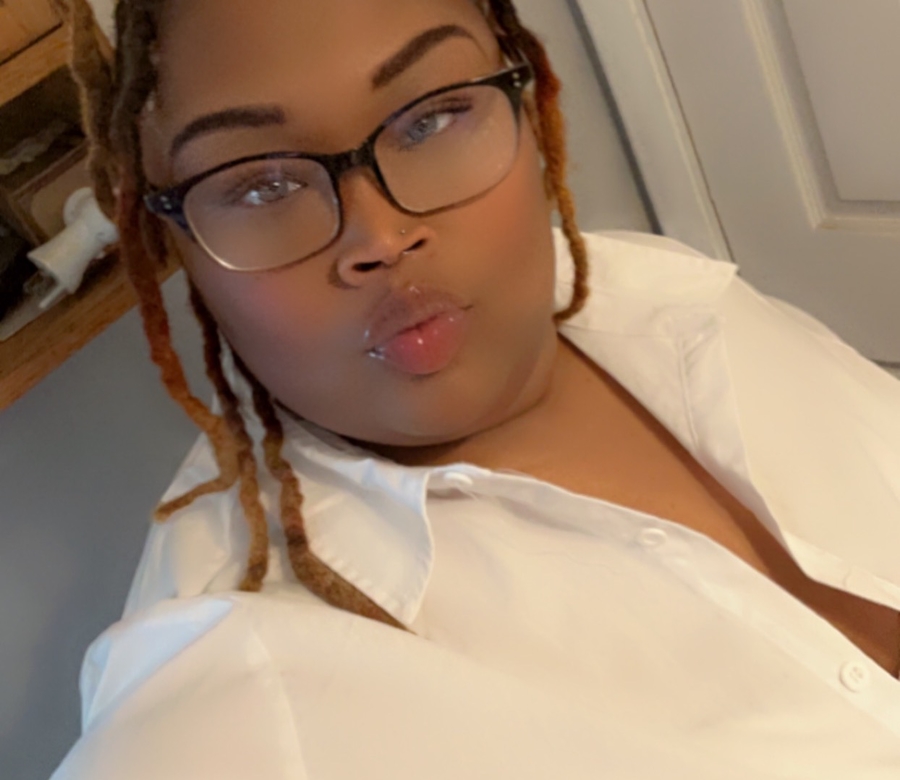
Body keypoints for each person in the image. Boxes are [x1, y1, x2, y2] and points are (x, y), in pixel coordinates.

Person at [52, 0, 900, 777]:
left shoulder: (663, 292)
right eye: (261, 184)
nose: (381, 237)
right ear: (165, 236)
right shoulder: (239, 667)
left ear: (528, 104)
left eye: (430, 119)